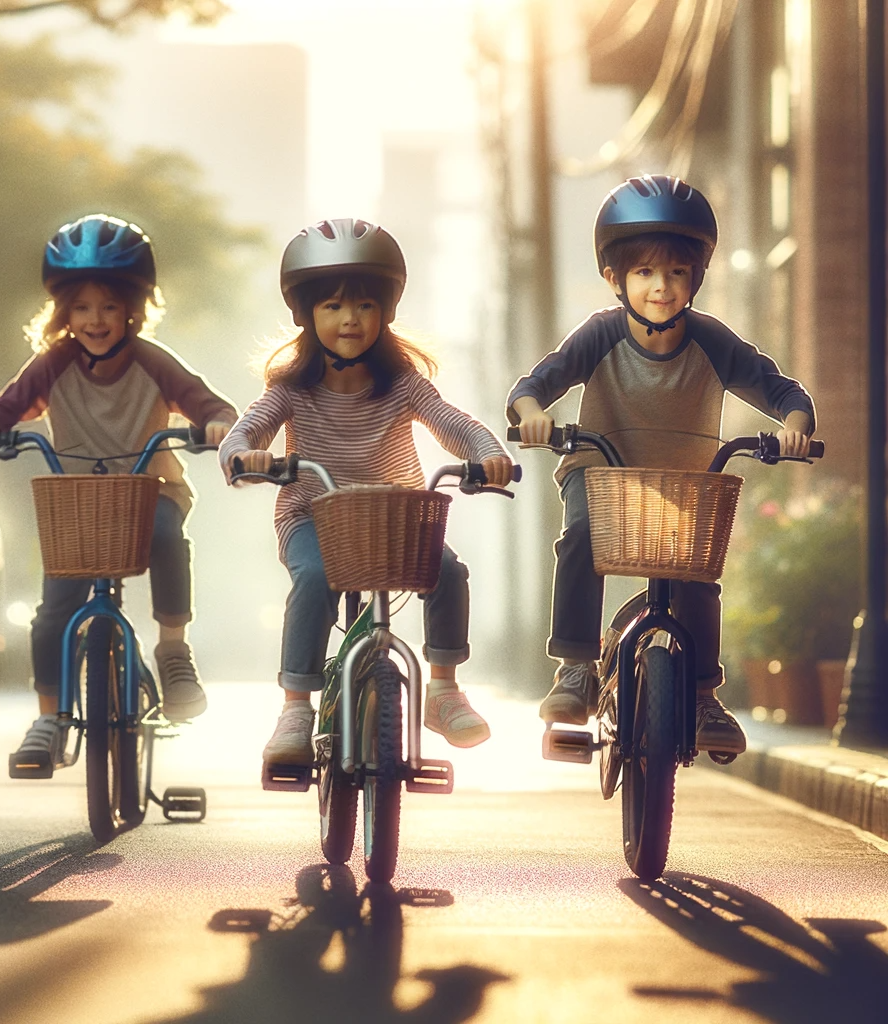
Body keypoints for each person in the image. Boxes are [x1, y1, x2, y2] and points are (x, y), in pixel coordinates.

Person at [506, 174, 816, 755]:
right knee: (581, 538)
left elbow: (780, 389)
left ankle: (702, 696)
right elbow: (534, 385)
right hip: (600, 474)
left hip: (683, 483)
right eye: (645, 272)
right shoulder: (599, 335)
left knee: (698, 574)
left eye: (677, 272)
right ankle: (574, 667)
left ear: (695, 278)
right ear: (615, 278)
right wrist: (532, 415)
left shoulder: (711, 340)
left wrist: (794, 425)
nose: (661, 286)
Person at [218, 218, 513, 765]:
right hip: (312, 516)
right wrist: (244, 456)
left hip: (390, 519)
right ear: (306, 315)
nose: (349, 319)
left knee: (448, 571)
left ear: (386, 313)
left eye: (364, 306)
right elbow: (246, 430)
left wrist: (488, 455)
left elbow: (451, 422)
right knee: (313, 579)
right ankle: (296, 708)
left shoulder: (402, 384)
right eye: (332, 307)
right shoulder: (291, 388)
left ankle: (444, 690)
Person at [0, 213, 238, 775]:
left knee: (166, 536)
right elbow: (1, 407)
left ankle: (172, 649)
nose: (96, 319)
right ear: (64, 312)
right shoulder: (54, 365)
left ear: (133, 309)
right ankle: (49, 718)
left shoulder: (153, 362)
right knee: (52, 614)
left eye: (109, 307)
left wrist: (214, 427)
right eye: (82, 307)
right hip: (80, 506)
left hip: (149, 492)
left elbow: (213, 406)